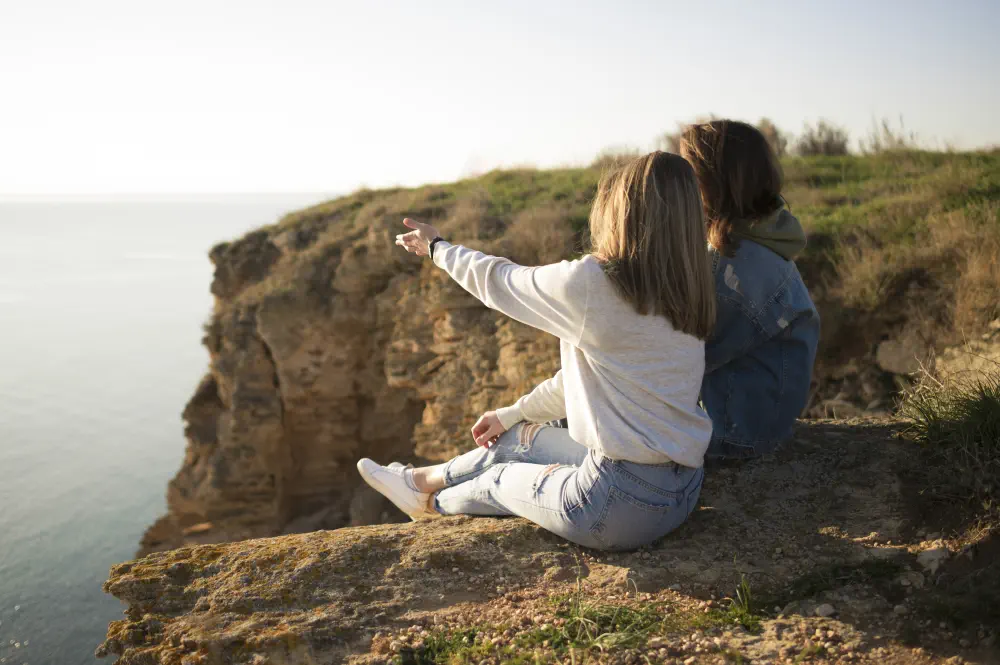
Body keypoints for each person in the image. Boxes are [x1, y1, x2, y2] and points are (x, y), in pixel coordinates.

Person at [356, 152, 716, 551]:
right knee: (518, 440)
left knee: (498, 480)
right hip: (682, 488)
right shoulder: (689, 289)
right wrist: (511, 414)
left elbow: (502, 282)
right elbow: (593, 381)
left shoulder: (593, 284)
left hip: (616, 503)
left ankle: (432, 506)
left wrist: (438, 248)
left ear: (621, 212)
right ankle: (416, 481)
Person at [679, 120, 820, 460]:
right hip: (755, 424)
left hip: (733, 434)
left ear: (711, 183)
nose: (679, 189)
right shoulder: (755, 243)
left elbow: (678, 360)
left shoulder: (734, 269)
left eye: (686, 176)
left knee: (555, 434)